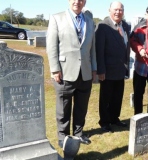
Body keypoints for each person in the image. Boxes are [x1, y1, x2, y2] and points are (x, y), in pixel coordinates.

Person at [46, 0, 97, 148]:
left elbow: (92, 48)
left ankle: (78, 133)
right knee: (63, 107)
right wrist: (55, 69)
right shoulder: (57, 18)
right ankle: (63, 136)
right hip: (64, 71)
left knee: (82, 106)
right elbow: (51, 45)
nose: (77, 2)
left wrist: (93, 68)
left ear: (84, 2)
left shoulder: (89, 21)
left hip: (85, 72)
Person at [95, 1, 130, 133]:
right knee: (106, 98)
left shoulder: (125, 25)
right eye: (115, 9)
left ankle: (114, 118)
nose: (118, 12)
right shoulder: (103, 26)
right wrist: (101, 70)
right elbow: (99, 50)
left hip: (121, 69)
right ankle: (104, 122)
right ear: (109, 10)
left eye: (120, 10)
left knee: (117, 96)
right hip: (107, 70)